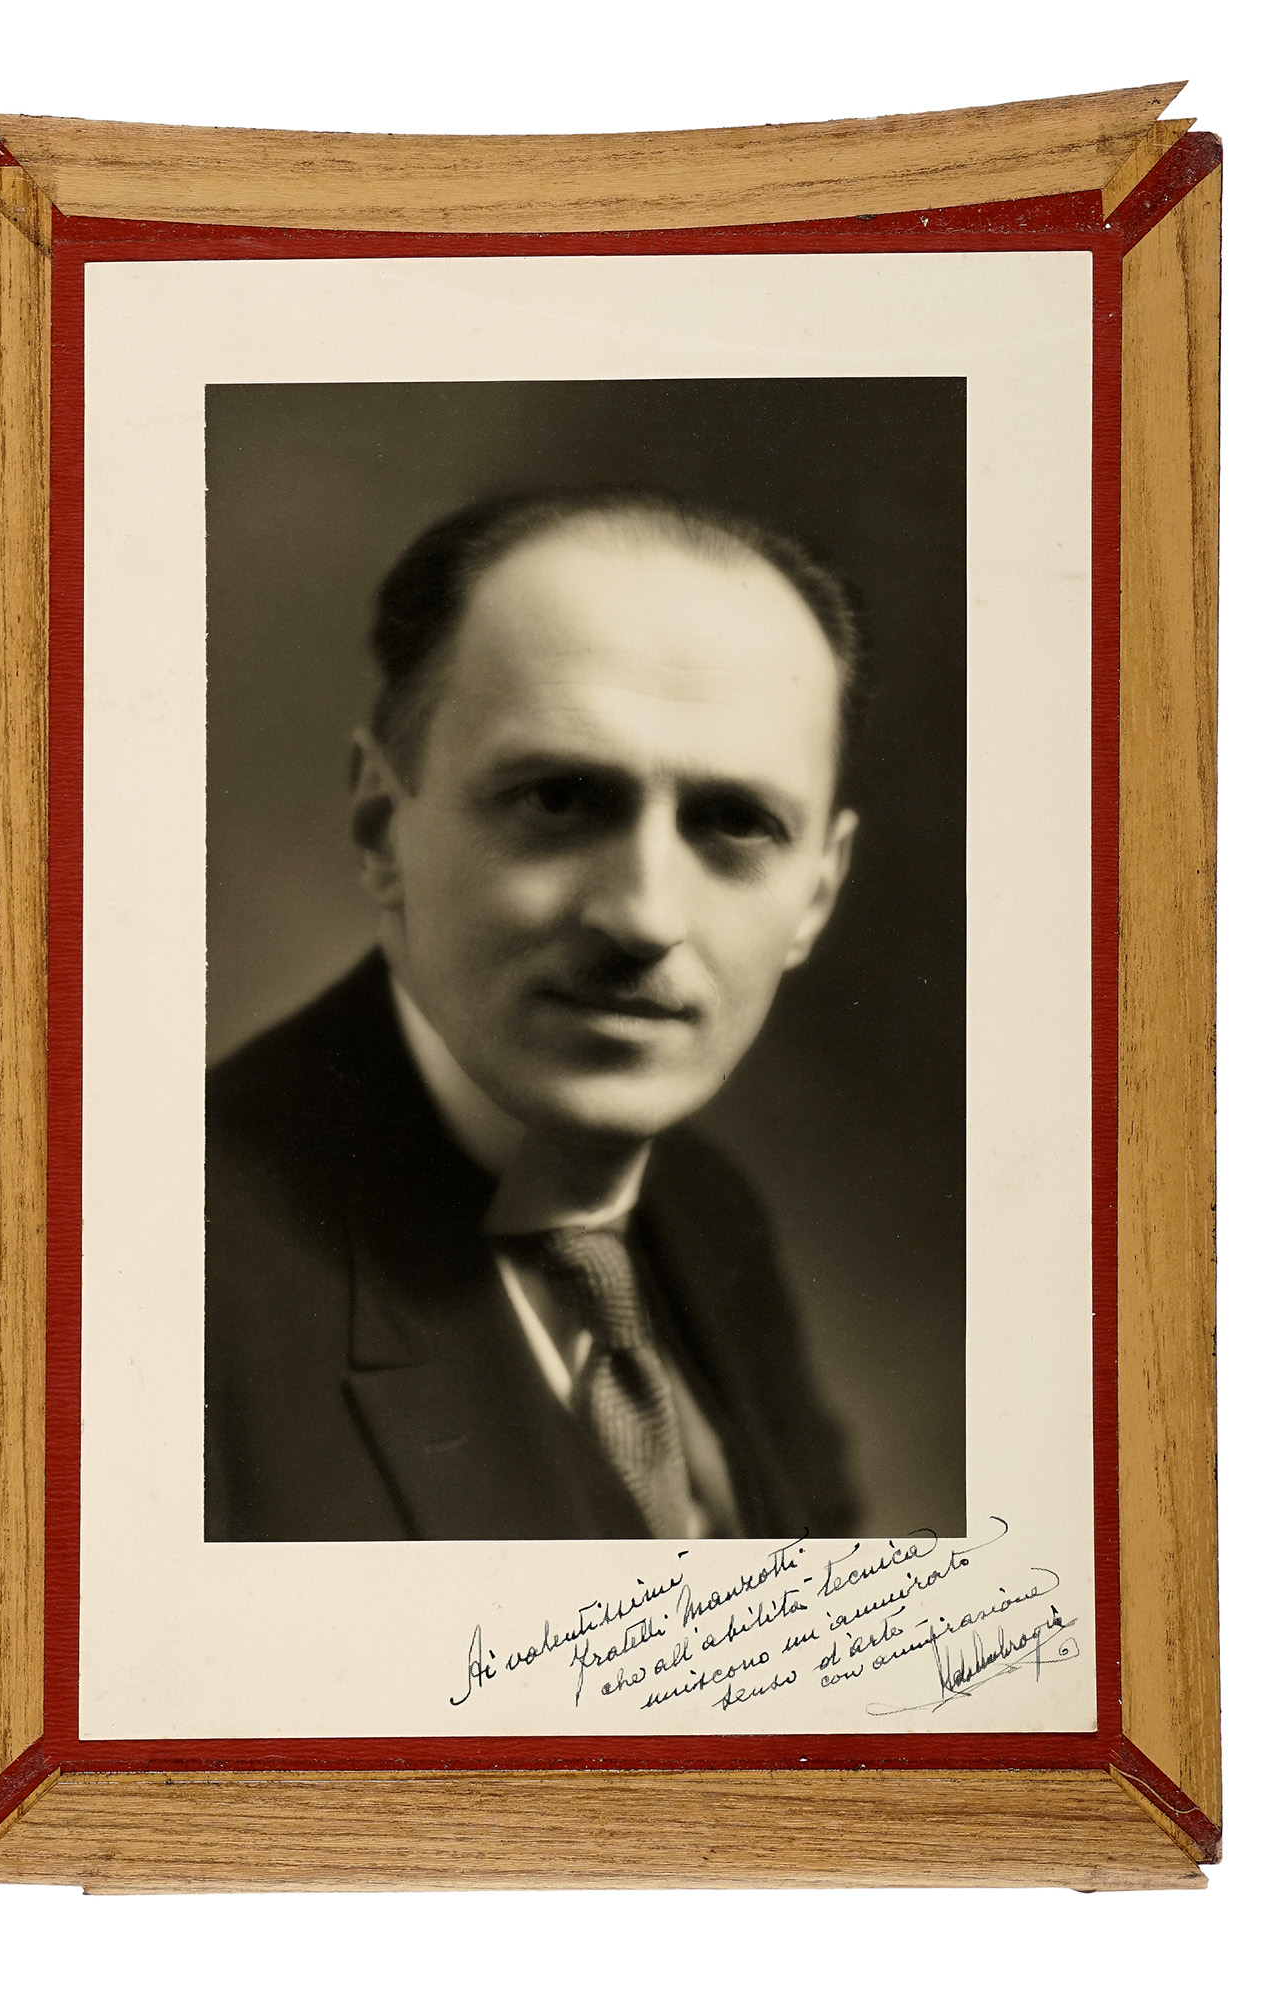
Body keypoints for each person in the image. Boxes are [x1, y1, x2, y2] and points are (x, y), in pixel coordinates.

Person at [205, 488, 864, 1541]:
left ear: (817, 894)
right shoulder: (163, 1272)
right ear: (381, 828)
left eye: (736, 822)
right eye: (558, 798)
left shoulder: (708, 1214)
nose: (644, 915)